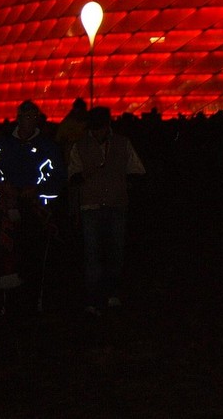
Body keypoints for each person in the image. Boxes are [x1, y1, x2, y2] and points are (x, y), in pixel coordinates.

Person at [0, 100, 65, 314]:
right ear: (18, 118)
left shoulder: (47, 146)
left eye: (32, 117)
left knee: (34, 254)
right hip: (8, 207)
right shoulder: (3, 145)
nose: (28, 121)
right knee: (8, 253)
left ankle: (33, 299)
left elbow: (57, 177)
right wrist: (1, 186)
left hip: (35, 208)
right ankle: (8, 302)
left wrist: (38, 190)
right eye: (24, 116)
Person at [68, 106, 146, 316]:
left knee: (115, 251)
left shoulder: (122, 143)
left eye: (100, 128)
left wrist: (123, 182)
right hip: (91, 205)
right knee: (93, 253)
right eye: (95, 128)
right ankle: (93, 298)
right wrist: (85, 177)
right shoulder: (80, 145)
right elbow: (73, 174)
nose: (98, 132)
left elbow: (137, 171)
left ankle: (111, 293)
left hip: (116, 203)